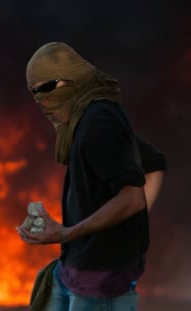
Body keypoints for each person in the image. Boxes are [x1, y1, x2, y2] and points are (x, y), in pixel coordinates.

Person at [17, 42, 167, 311]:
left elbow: (132, 197)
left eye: (46, 88)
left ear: (71, 78)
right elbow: (152, 162)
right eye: (34, 91)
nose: (40, 99)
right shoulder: (84, 120)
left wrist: (67, 233)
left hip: (102, 282)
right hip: (74, 270)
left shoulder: (100, 121)